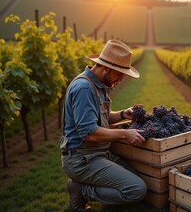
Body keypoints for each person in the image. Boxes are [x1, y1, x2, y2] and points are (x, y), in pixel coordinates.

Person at [60, 39, 147, 212]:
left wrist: (123, 114)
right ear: (106, 68)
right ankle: (82, 190)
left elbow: (101, 119)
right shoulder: (84, 88)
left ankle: (86, 186)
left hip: (99, 153)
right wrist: (125, 134)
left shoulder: (98, 85)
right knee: (137, 190)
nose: (121, 78)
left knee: (138, 179)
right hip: (81, 159)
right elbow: (89, 133)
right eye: (119, 73)